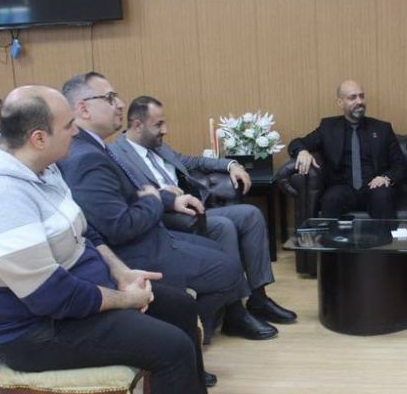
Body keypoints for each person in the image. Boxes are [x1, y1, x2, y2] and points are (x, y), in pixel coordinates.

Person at [0, 85, 250, 394]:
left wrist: (122, 273)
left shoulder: (39, 168)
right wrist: (125, 300)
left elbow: (84, 233)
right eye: (68, 125)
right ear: (39, 137)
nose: (76, 132)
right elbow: (51, 296)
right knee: (170, 346)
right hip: (35, 332)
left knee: (179, 306)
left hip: (71, 302)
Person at [58, 72, 277, 341]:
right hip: (140, 246)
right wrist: (155, 199)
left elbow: (140, 191)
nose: (120, 103)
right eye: (110, 98)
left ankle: (227, 314)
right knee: (229, 267)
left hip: (157, 226)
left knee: (233, 238)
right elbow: (120, 223)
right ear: (83, 109)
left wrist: (228, 165)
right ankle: (188, 332)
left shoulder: (100, 148)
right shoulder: (90, 156)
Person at [110, 95, 296, 327]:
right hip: (165, 218)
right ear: (138, 125)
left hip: (193, 209)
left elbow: (193, 161)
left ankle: (259, 297)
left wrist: (231, 164)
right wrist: (161, 193)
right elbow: (129, 195)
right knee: (224, 226)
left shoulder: (158, 146)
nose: (165, 130)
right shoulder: (117, 155)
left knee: (251, 214)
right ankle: (234, 311)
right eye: (158, 124)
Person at [288, 80, 407, 220]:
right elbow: (296, 143)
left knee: (383, 196)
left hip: (374, 186)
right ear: (340, 103)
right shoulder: (328, 128)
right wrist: (302, 151)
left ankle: (386, 235)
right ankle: (331, 235)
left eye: (361, 96)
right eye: (352, 97)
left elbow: (400, 165)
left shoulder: (382, 129)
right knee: (331, 199)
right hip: (342, 187)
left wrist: (385, 178)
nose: (359, 101)